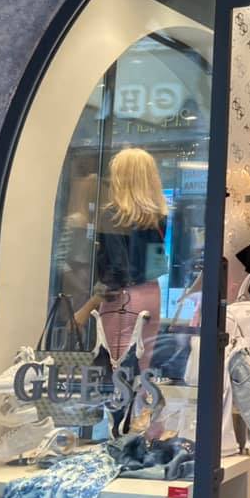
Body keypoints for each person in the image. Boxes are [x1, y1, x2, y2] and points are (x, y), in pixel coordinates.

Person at [75, 147, 168, 369]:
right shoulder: (157, 217)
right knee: (141, 366)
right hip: (151, 294)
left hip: (124, 298)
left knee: (117, 367)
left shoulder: (114, 215)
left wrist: (85, 309)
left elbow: (116, 272)